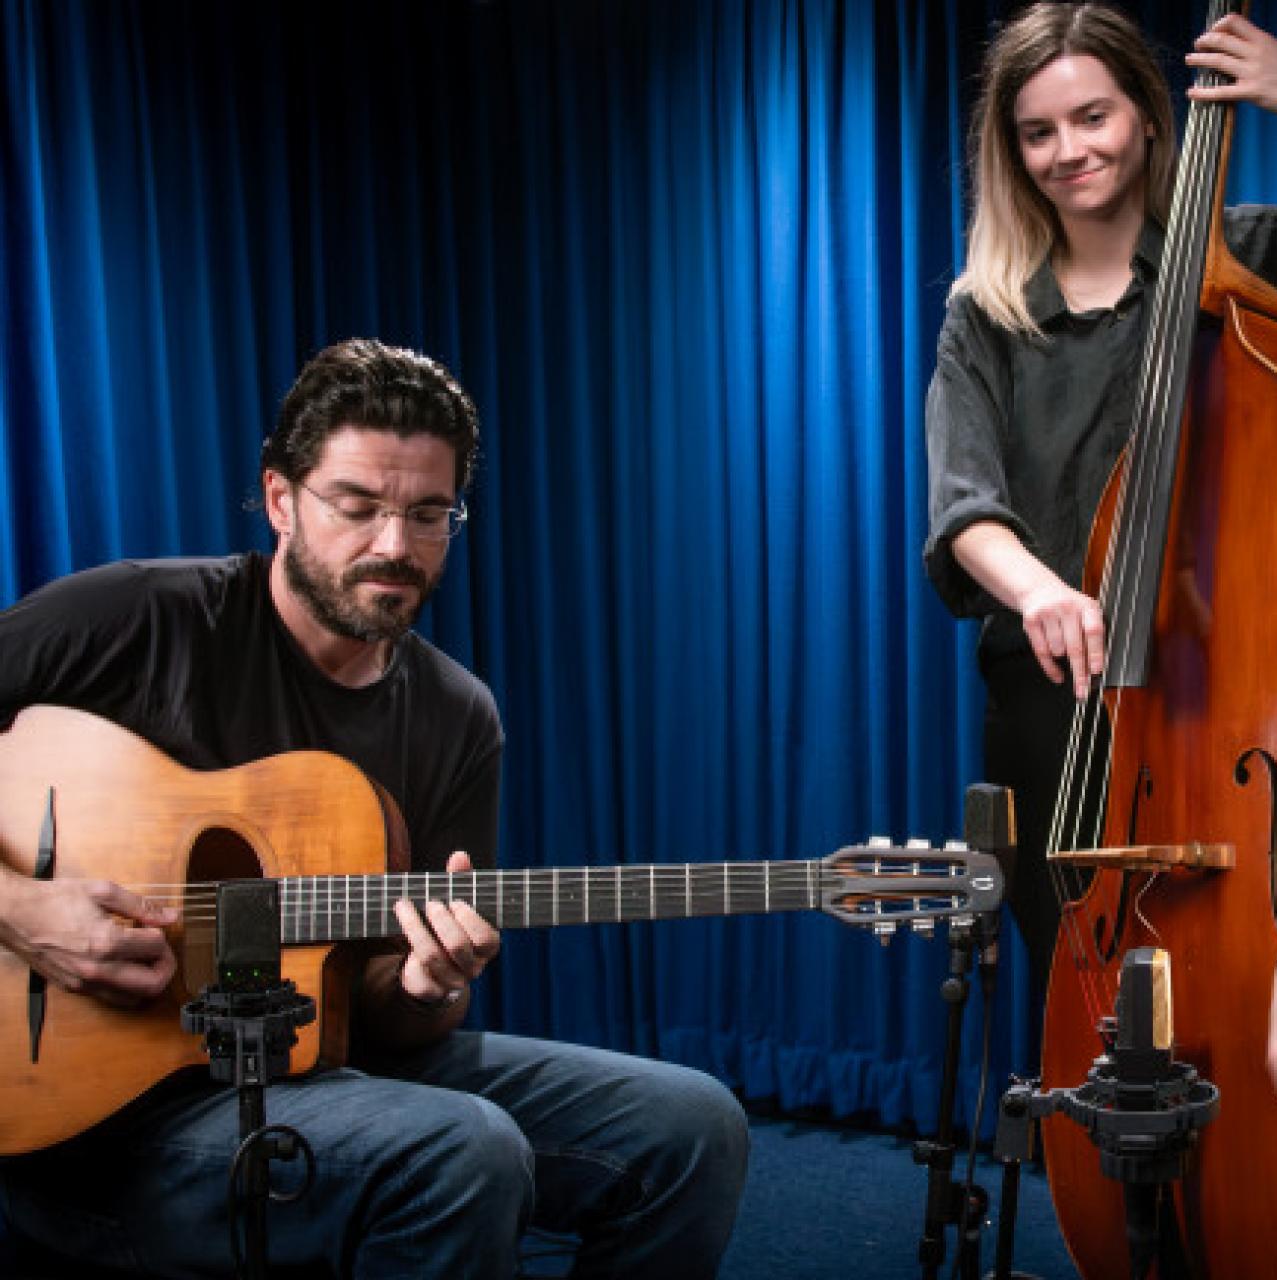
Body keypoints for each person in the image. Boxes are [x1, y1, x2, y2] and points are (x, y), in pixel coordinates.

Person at [0, 339, 749, 1277]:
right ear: (281, 500)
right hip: (94, 1121)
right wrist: (23, 908)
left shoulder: (456, 714)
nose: (394, 546)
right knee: (465, 1151)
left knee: (693, 1126)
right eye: (357, 507)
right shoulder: (136, 619)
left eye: (428, 514)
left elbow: (387, 1017)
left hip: (318, 1068)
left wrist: (430, 985)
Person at [923, 3, 1277, 1010]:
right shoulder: (985, 311)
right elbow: (963, 507)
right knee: (1087, 999)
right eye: (1037, 132)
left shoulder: (1251, 255)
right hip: (1059, 702)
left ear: (1148, 116)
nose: (1067, 151)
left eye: (1092, 117)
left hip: (1235, 695)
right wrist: (1040, 591)